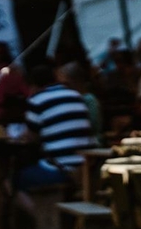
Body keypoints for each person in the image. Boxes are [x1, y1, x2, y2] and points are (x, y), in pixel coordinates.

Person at [12, 63, 97, 219]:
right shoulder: (76, 95)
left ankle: (47, 221)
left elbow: (32, 138)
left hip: (61, 168)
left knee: (13, 181)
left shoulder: (37, 100)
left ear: (34, 86)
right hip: (86, 167)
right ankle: (53, 219)